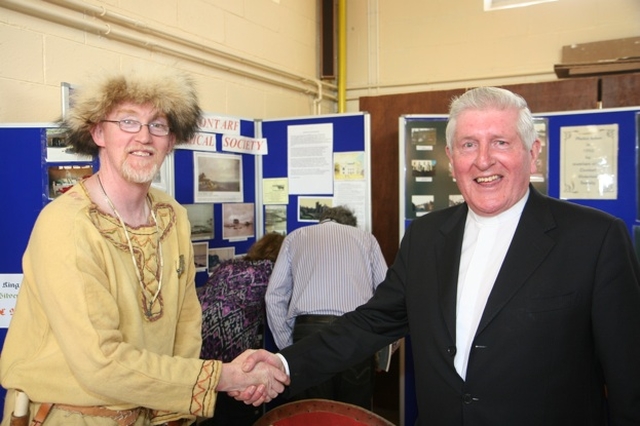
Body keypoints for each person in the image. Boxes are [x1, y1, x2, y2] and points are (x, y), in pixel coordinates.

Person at [239, 86, 640, 425]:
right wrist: (284, 365)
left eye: (500, 142)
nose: (483, 160)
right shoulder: (427, 236)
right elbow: (370, 323)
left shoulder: (595, 238)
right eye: (469, 145)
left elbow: (629, 374)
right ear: (452, 159)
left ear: (532, 153)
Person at [0, 68, 287, 426]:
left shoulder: (172, 216)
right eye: (128, 121)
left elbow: (185, 324)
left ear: (170, 141)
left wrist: (176, 414)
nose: (144, 137)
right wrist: (224, 377)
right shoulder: (67, 225)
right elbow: (100, 363)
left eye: (158, 124)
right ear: (98, 132)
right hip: (71, 416)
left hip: (155, 415)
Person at [265, 206, 387, 410]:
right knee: (353, 413)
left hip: (308, 333)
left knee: (312, 413)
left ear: (322, 219)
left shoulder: (295, 238)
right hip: (355, 332)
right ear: (350, 224)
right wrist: (380, 347)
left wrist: (290, 348)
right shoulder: (366, 239)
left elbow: (274, 296)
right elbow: (386, 295)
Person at [198, 232, 284, 426]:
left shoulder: (228, 265)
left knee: (213, 388)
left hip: (199, 334)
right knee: (237, 396)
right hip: (233, 339)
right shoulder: (271, 272)